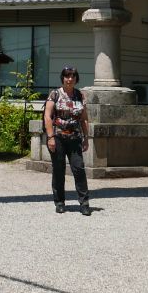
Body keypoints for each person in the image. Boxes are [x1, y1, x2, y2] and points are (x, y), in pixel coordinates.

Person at [44, 65, 91, 215]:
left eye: (72, 76)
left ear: (76, 79)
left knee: (79, 169)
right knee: (59, 169)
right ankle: (59, 202)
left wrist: (86, 138)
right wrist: (50, 137)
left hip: (75, 137)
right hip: (57, 137)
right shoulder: (55, 94)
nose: (70, 79)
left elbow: (84, 119)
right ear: (63, 78)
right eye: (67, 76)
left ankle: (84, 203)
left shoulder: (80, 95)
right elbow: (47, 116)